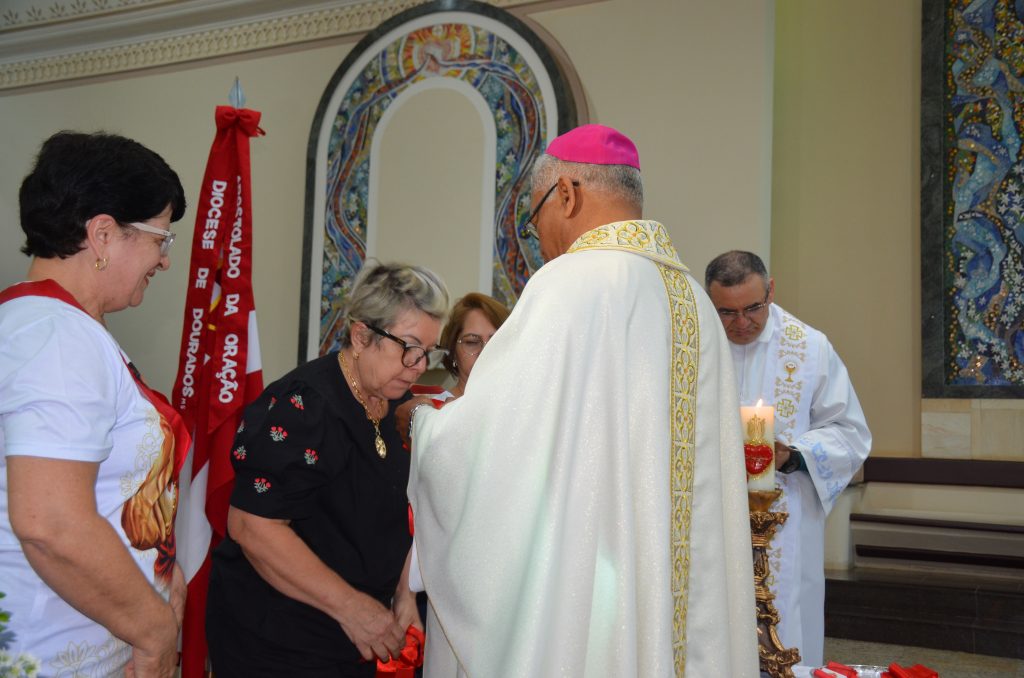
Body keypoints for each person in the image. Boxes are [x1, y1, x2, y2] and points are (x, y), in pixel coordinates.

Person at [400, 124, 758, 677]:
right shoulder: (693, 300)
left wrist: (424, 427)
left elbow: (493, 442)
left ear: (566, 194)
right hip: (683, 601)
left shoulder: (569, 284)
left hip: (597, 601)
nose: (539, 236)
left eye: (537, 213)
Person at [0, 131, 188, 677]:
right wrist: (155, 632)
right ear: (103, 234)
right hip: (52, 656)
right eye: (160, 237)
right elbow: (50, 522)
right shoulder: (57, 337)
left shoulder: (51, 326)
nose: (164, 260)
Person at [205, 260, 449, 677]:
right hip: (278, 642)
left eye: (429, 351)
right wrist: (353, 608)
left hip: (349, 638)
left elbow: (380, 516)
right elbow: (253, 527)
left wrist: (402, 594)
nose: (419, 365)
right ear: (361, 335)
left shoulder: (385, 402)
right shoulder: (304, 406)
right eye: (409, 347)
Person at [704, 250, 872, 666]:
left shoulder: (810, 347)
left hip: (786, 516)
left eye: (752, 308)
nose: (741, 323)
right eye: (726, 312)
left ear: (771, 291)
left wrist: (793, 456)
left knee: (787, 632)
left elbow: (849, 432)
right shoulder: (696, 347)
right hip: (712, 515)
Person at [438, 292, 511, 398]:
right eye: (472, 342)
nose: (484, 352)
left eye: (495, 341)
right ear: (453, 351)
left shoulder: (523, 405)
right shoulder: (436, 411)